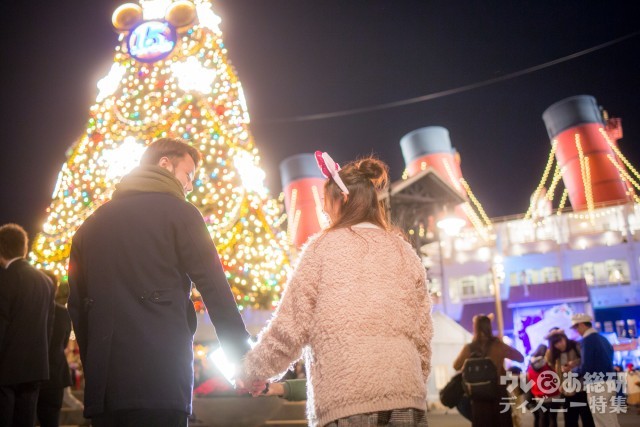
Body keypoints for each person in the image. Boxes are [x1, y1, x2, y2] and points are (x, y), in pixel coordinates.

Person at [240, 153, 433, 427]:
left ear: (341, 199)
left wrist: (253, 370)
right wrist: (412, 379)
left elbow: (290, 326)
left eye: (326, 202)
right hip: (406, 395)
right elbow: (423, 333)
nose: (324, 209)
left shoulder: (322, 248)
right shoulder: (404, 251)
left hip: (347, 398)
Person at [68, 138, 251, 426]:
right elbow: (215, 288)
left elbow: (78, 307)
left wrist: (95, 369)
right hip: (161, 377)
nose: (190, 186)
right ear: (165, 164)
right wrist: (243, 359)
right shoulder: (180, 213)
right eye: (188, 175)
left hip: (106, 388)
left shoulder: (90, 225)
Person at [0, 223, 55, 427]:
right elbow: (49, 327)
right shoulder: (45, 281)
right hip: (35, 366)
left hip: (5, 367)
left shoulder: (5, 278)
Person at [453, 314, 524, 427]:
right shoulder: (499, 346)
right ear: (489, 327)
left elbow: (456, 365)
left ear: (475, 328)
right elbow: (520, 358)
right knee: (502, 423)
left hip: (478, 395)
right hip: (498, 392)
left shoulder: (469, 348)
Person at [568, 314, 620, 427]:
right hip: (610, 382)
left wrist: (572, 371)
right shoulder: (603, 339)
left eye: (576, 327)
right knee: (611, 418)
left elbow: (586, 367)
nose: (577, 331)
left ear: (582, 324)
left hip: (596, 384)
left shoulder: (587, 341)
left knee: (602, 421)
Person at [36, 271, 73, 427]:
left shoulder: (32, 310)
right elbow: (64, 343)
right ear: (56, 288)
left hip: (33, 374)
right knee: (51, 420)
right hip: (56, 373)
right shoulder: (63, 313)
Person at [545, 327, 594, 427]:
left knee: (587, 418)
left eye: (560, 341)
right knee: (570, 421)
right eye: (555, 343)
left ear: (565, 338)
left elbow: (586, 362)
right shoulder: (554, 354)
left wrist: (574, 364)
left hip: (582, 389)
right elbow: (554, 368)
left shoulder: (576, 346)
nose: (559, 345)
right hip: (567, 391)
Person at [526, 344, 560, 427]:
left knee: (542, 418)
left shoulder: (530, 366)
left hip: (539, 397)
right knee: (553, 419)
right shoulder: (549, 364)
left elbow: (529, 380)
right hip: (553, 395)